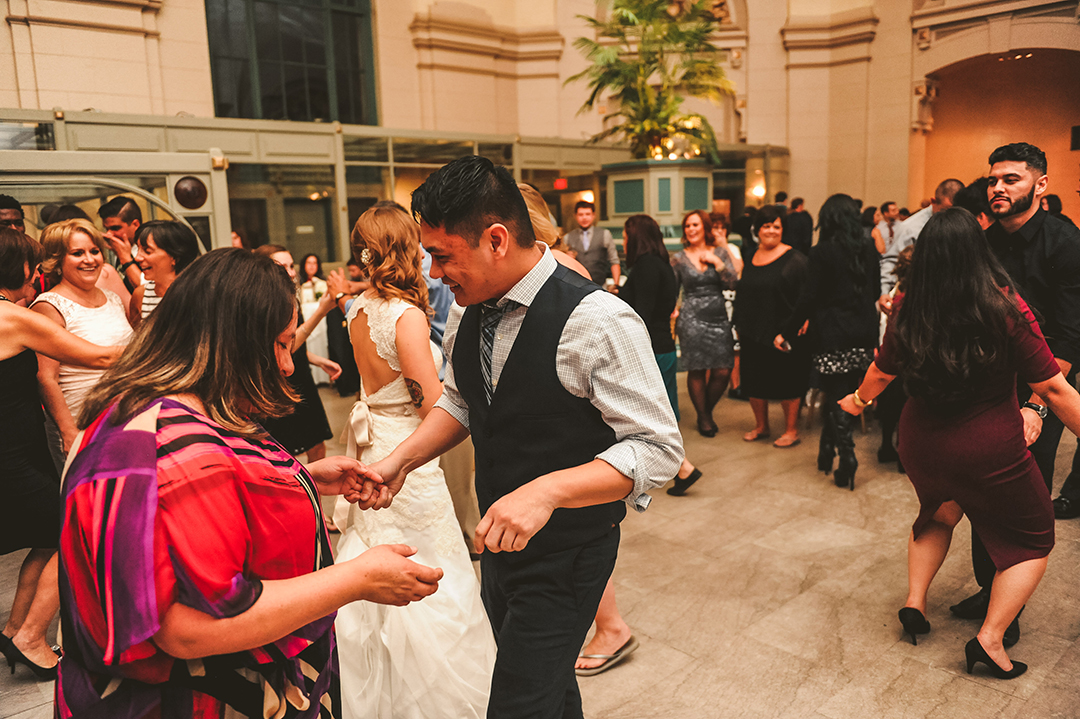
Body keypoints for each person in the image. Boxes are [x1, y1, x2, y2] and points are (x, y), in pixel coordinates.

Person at [361, 155, 682, 719]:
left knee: (514, 704)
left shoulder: (598, 320)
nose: (433, 274)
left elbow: (658, 449)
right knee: (550, 690)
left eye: (442, 255)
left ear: (496, 239)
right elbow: (462, 402)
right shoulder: (468, 309)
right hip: (500, 547)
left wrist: (547, 491)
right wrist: (401, 460)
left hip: (569, 552)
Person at [57, 247, 443, 717]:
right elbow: (190, 625)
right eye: (279, 345)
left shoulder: (173, 404)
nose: (286, 364)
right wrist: (355, 578)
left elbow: (222, 486)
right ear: (231, 340)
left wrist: (302, 476)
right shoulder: (173, 443)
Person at [839, 208, 1080, 680]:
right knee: (1034, 539)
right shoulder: (1005, 305)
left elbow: (882, 372)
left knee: (939, 512)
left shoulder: (909, 302)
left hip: (922, 442)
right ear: (980, 251)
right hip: (987, 445)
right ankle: (990, 641)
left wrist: (856, 401)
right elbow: (1053, 388)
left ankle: (915, 603)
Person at [333, 204, 496, 719]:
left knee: (373, 549)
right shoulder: (406, 317)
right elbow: (433, 406)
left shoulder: (357, 308)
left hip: (372, 441)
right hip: (407, 452)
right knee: (431, 561)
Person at [949, 143, 1080, 643]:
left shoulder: (1066, 245)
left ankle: (1007, 612)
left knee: (1022, 502)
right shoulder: (984, 243)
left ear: (1040, 185)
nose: (998, 188)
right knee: (982, 496)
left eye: (1011, 179)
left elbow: (1067, 338)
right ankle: (990, 591)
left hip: (1040, 394)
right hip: (986, 390)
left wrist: (1036, 406)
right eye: (993, 180)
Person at [0, 228, 122, 681]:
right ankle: (31, 637)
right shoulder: (14, 315)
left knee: (50, 533)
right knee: (75, 528)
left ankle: (16, 628)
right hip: (14, 456)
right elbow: (99, 360)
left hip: (17, 451)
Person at [775, 195, 878, 489]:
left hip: (833, 333)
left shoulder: (822, 252)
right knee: (845, 390)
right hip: (864, 330)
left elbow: (808, 298)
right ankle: (826, 450)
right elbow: (873, 292)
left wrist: (787, 331)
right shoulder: (869, 248)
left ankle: (848, 458)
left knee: (835, 395)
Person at [30, 219, 134, 473]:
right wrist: (68, 432)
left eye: (94, 251)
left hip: (128, 418)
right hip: (83, 424)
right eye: (77, 253)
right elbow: (46, 378)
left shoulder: (112, 298)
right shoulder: (49, 306)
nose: (90, 260)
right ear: (57, 261)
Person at [733, 205, 810, 448]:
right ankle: (761, 426)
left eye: (776, 226)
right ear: (758, 229)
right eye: (766, 225)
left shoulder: (795, 259)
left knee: (787, 381)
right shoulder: (751, 255)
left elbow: (806, 296)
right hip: (752, 328)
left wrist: (803, 321)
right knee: (754, 380)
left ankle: (791, 430)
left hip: (782, 330)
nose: (772, 230)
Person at [256, 245, 341, 464]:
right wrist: (321, 311)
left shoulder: (290, 295)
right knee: (283, 451)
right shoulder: (266, 304)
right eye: (283, 266)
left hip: (302, 379)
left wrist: (318, 360)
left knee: (317, 444)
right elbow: (286, 347)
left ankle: (314, 494)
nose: (292, 272)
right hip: (282, 383)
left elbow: (294, 345)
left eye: (291, 265)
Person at [672, 210, 739, 437]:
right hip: (691, 317)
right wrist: (672, 309)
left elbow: (733, 283)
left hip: (718, 317)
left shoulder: (719, 252)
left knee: (723, 370)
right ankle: (704, 418)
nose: (690, 229)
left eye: (695, 225)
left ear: (705, 228)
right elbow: (673, 290)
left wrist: (718, 263)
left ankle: (705, 410)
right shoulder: (678, 258)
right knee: (697, 368)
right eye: (687, 226)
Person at [879, 178, 964, 312]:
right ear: (933, 202)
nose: (950, 216)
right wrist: (884, 292)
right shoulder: (911, 228)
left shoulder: (965, 223)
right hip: (918, 301)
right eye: (945, 210)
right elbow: (893, 260)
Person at [128, 220, 200, 327]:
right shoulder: (140, 295)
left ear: (175, 257)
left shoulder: (198, 294)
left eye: (147, 251)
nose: (137, 258)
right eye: (138, 250)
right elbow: (138, 339)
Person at [563, 200, 621, 288]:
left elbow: (614, 261)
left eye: (587, 214)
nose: (584, 218)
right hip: (577, 285)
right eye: (581, 215)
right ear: (575, 216)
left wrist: (616, 285)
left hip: (600, 284)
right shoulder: (568, 237)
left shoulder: (605, 234)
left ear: (594, 215)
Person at [98, 196, 144, 291]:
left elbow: (147, 290)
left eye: (115, 228)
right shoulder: (120, 249)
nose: (109, 234)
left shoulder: (154, 248)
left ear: (135, 224)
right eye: (106, 229)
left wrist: (125, 258)